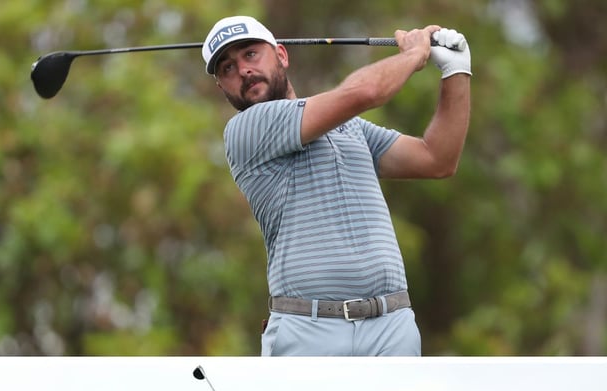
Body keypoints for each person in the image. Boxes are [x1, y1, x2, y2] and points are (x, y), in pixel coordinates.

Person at [202, 15, 471, 356]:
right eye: (226, 68)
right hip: (308, 330)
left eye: (250, 54)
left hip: (391, 327)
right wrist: (413, 55)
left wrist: (457, 71)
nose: (242, 70)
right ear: (221, 87)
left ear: (281, 55)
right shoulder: (246, 130)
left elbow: (437, 159)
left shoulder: (351, 129)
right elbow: (366, 92)